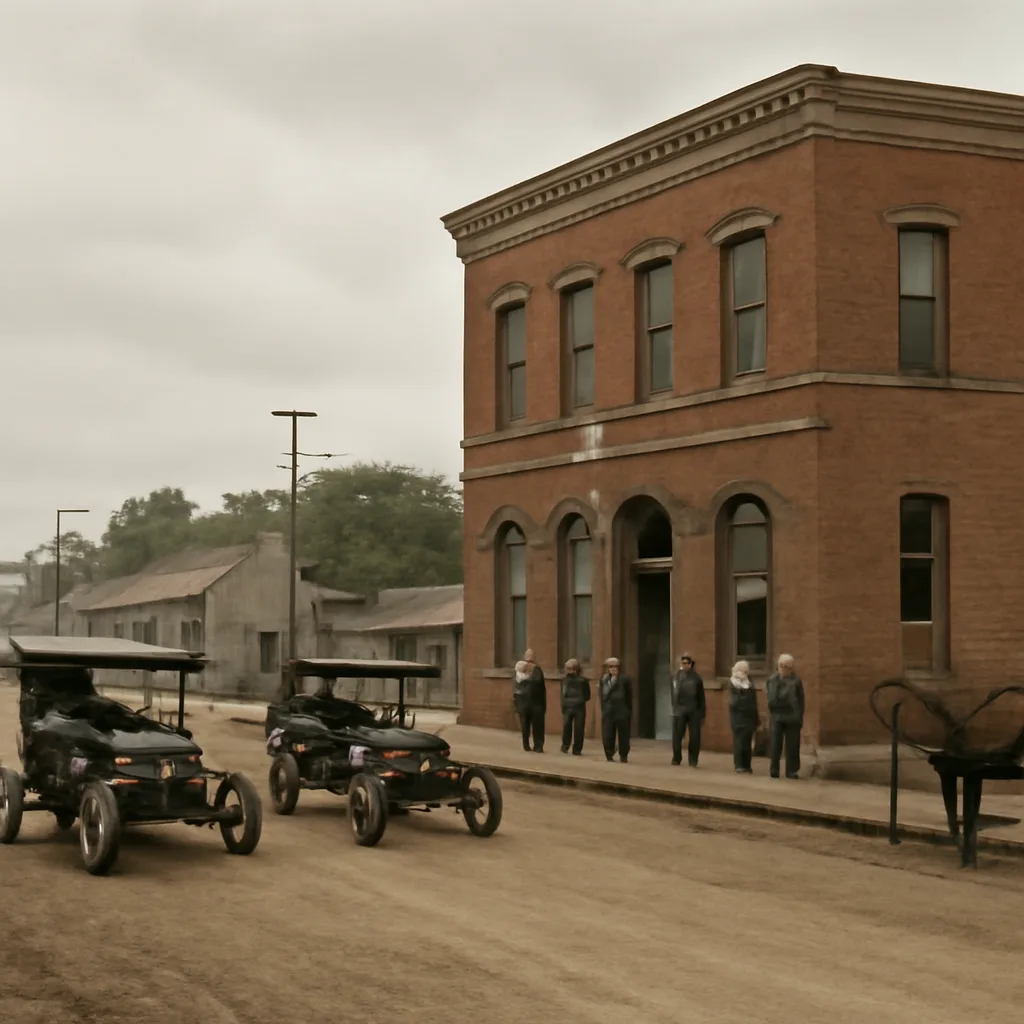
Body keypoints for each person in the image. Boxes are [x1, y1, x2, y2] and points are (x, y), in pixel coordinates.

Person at [766, 653, 805, 779]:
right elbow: (770, 699)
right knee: (775, 744)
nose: (783, 668)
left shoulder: (796, 681)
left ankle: (792, 770)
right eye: (781, 666)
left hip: (792, 716)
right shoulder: (772, 680)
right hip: (777, 715)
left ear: (791, 668)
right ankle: (774, 769)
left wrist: (799, 715)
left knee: (793, 745)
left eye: (787, 666)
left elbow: (801, 700)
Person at [670, 653, 705, 767]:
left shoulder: (696, 678)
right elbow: (673, 693)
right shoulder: (676, 676)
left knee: (694, 736)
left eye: (686, 663)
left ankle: (693, 760)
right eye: (682, 663)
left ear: (690, 664)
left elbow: (701, 697)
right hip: (679, 710)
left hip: (693, 710)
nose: (684, 665)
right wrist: (674, 707)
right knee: (677, 736)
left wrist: (701, 713)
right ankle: (676, 758)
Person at [599, 657, 632, 763]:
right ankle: (609, 754)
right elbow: (601, 695)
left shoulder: (624, 679)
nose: (613, 669)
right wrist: (604, 708)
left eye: (615, 666)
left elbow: (629, 696)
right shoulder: (604, 680)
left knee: (623, 735)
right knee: (608, 734)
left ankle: (623, 755)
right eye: (610, 667)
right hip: (608, 711)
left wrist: (628, 711)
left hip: (621, 710)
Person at [728, 660, 759, 774]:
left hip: (749, 718)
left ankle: (747, 765)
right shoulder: (733, 683)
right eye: (744, 671)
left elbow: (754, 701)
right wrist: (745, 698)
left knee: (748, 743)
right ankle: (739, 765)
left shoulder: (749, 683)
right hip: (738, 718)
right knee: (739, 742)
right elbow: (734, 702)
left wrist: (756, 719)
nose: (745, 674)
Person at [559, 658, 590, 755]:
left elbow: (587, 695)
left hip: (577, 707)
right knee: (569, 727)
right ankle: (568, 747)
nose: (567, 670)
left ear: (575, 669)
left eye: (568, 668)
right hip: (570, 706)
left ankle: (572, 748)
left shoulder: (582, 681)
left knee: (578, 728)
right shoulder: (564, 680)